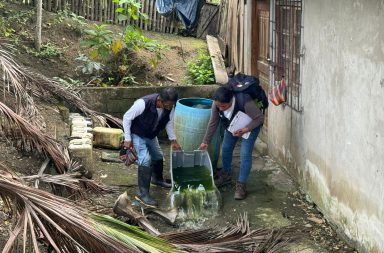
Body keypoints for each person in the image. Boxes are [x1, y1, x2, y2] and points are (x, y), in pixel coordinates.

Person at [199, 86, 264, 200]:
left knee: (245, 154)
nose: (220, 109)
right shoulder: (217, 104)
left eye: (223, 106)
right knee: (226, 148)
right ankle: (226, 174)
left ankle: (241, 185)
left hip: (251, 126)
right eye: (218, 106)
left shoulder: (245, 102)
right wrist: (205, 142)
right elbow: (213, 123)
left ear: (231, 100)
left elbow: (259, 119)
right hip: (233, 124)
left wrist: (245, 129)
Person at [123, 87, 181, 207]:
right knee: (145, 160)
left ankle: (157, 179)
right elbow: (126, 117)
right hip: (138, 133)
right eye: (168, 105)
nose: (170, 107)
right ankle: (143, 193)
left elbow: (169, 122)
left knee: (158, 156)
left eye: (172, 105)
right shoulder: (143, 103)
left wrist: (173, 140)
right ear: (160, 100)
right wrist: (128, 138)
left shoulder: (170, 106)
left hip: (151, 134)